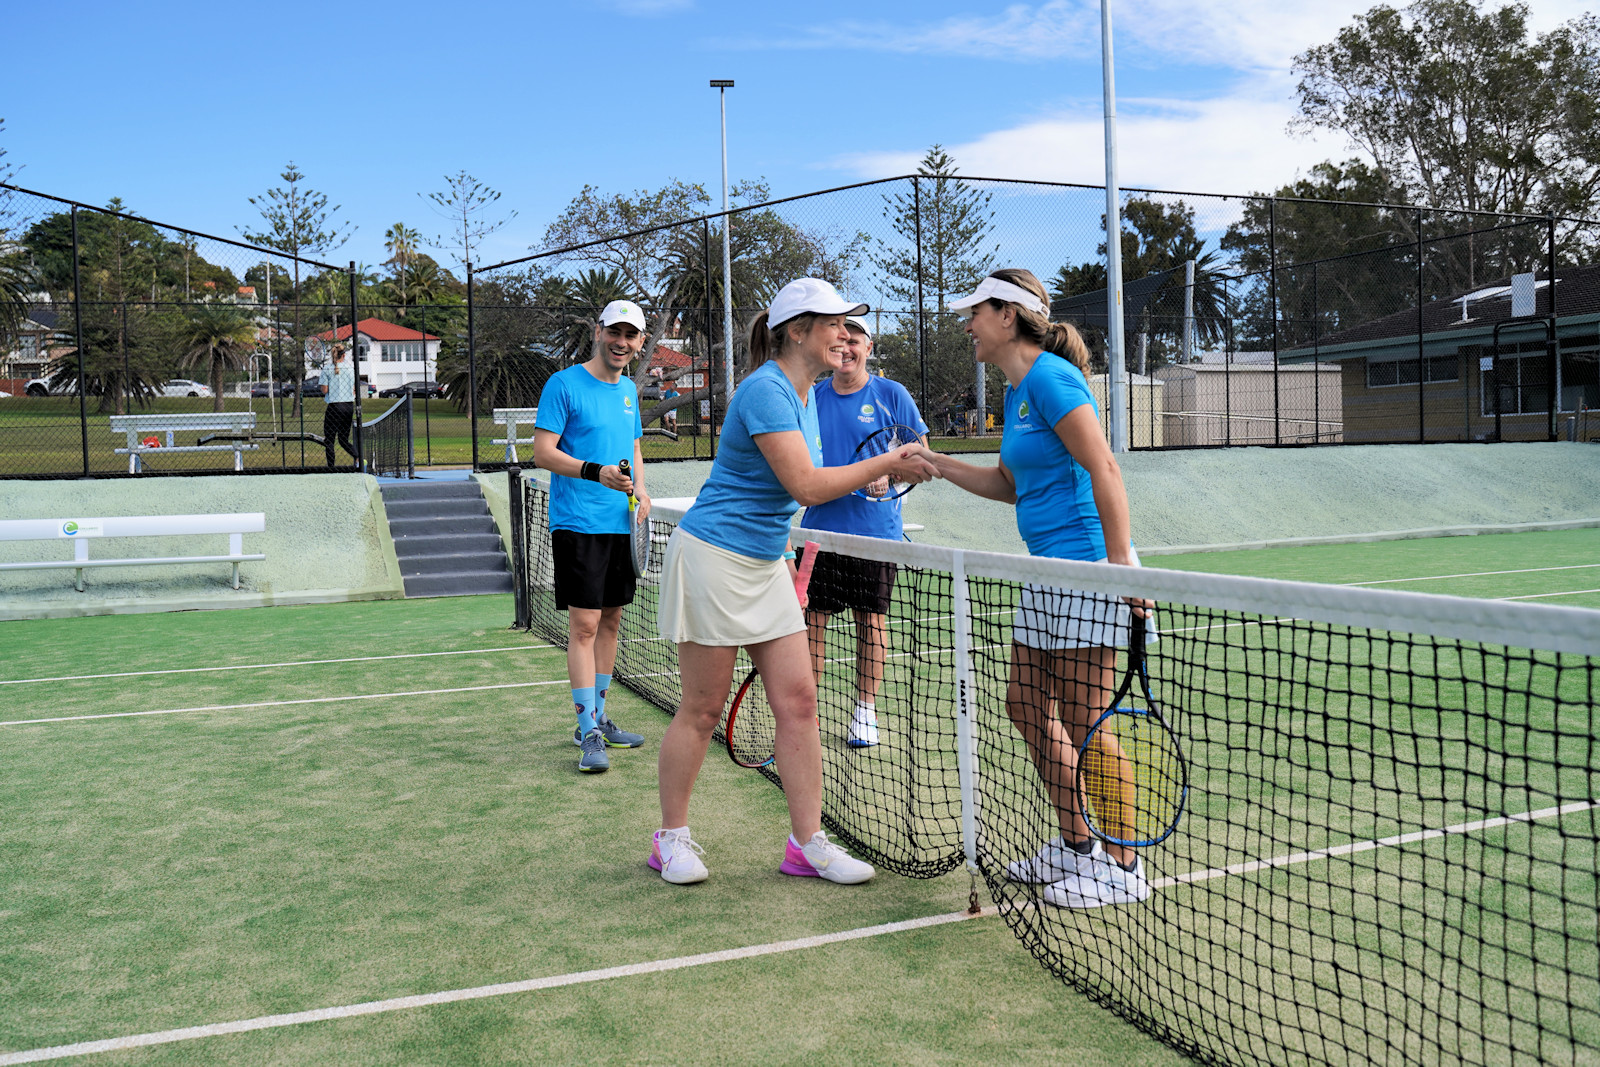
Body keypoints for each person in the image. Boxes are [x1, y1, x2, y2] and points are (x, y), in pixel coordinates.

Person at [650, 278, 940, 885]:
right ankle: (669, 839)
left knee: (800, 701)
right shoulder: (767, 391)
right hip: (713, 557)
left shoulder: (804, 394)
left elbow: (793, 488)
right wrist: (889, 459)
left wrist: (787, 546)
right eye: (834, 324)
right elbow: (805, 487)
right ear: (797, 331)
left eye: (848, 325)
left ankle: (807, 844)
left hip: (762, 563)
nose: (845, 334)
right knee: (703, 708)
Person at [931, 268, 1153, 910]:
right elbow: (1011, 484)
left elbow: (1103, 464)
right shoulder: (1020, 391)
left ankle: (1122, 865)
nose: (966, 324)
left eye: (974, 312)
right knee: (1025, 702)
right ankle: (1075, 842)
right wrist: (940, 465)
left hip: (1088, 567)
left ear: (1007, 316)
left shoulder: (1054, 378)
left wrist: (1118, 567)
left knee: (1087, 720)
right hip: (1047, 573)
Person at [533, 299, 653, 774]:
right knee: (584, 627)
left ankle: (600, 716)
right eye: (614, 332)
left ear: (641, 343)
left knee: (611, 623)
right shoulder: (563, 385)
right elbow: (543, 452)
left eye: (631, 335)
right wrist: (593, 472)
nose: (621, 342)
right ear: (598, 331)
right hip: (578, 524)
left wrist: (642, 491)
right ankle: (587, 731)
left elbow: (634, 447)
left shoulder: (628, 391)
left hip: (621, 525)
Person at [798, 315, 928, 748]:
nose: (847, 349)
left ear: (869, 348)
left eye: (855, 341)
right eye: (840, 341)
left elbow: (921, 458)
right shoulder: (812, 397)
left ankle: (864, 714)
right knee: (811, 624)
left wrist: (890, 476)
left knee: (870, 622)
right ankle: (808, 714)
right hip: (817, 535)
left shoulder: (892, 394)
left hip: (875, 536)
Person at [321, 345, 358, 467]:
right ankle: (358, 457)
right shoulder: (350, 369)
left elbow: (324, 390)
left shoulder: (327, 369)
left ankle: (331, 467)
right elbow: (353, 390)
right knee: (343, 440)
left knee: (329, 440)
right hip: (348, 407)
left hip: (334, 408)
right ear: (344, 355)